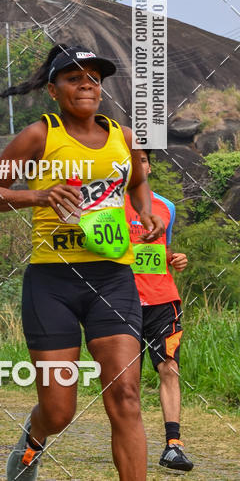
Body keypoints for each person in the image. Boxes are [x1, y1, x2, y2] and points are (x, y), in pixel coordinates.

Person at [0, 44, 166, 481]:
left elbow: (137, 182)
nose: (86, 84)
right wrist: (38, 194)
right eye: (74, 77)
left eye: (94, 78)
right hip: (52, 281)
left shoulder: (124, 137)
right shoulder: (40, 135)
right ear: (54, 90)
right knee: (59, 410)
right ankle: (33, 439)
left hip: (113, 277)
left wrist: (146, 210)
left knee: (127, 398)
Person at [125, 150, 194, 473]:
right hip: (121, 302)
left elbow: (161, 250)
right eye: (130, 160)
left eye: (142, 160)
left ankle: (173, 445)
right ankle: (130, 441)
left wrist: (175, 259)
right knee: (128, 380)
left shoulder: (166, 207)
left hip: (163, 300)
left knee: (168, 368)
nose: (137, 165)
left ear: (149, 166)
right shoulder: (109, 208)